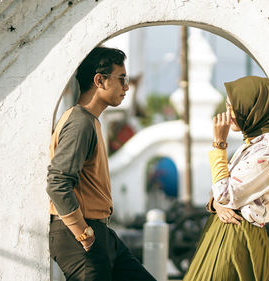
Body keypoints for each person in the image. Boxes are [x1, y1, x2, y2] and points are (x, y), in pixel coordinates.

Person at [46, 46, 156, 281]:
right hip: (80, 236)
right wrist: (83, 233)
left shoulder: (90, 121)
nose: (126, 87)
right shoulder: (79, 122)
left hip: (100, 233)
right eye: (122, 79)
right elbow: (57, 182)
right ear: (100, 80)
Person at [183, 76, 269, 281]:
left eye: (235, 108)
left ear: (254, 109)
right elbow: (221, 191)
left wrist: (219, 144)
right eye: (227, 106)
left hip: (238, 237)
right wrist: (217, 203)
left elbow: (225, 194)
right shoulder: (253, 142)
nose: (228, 114)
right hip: (224, 231)